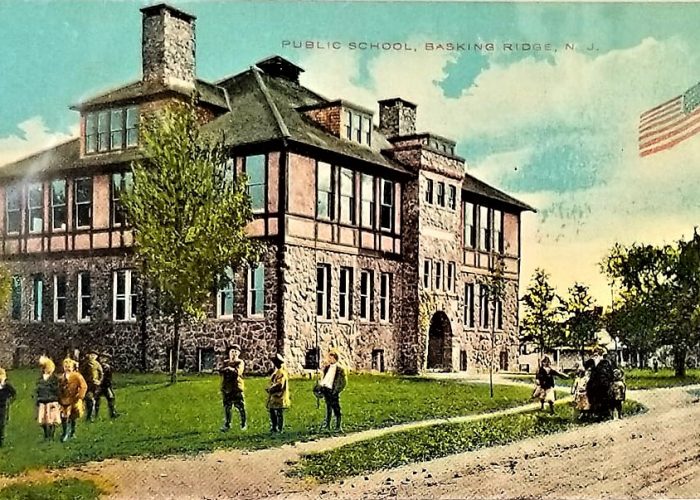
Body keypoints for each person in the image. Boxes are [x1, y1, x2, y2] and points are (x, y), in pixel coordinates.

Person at [58, 358, 87, 442]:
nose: (67, 368)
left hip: (74, 399)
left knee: (73, 416)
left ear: (73, 367)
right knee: (64, 415)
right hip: (64, 399)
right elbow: (58, 388)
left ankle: (72, 432)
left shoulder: (77, 376)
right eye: (65, 366)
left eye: (69, 366)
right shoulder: (61, 377)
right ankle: (65, 433)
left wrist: (80, 396)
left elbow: (83, 386)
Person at [319, 349, 348, 432]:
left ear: (335, 359)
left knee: (336, 408)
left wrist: (336, 390)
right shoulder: (327, 368)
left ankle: (338, 426)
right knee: (328, 408)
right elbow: (325, 378)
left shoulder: (340, 370)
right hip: (327, 390)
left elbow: (343, 382)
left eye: (331, 358)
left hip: (334, 391)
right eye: (329, 358)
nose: (330, 360)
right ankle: (327, 426)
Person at [219, 345, 246, 432]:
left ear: (238, 353)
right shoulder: (226, 362)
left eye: (235, 351)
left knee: (240, 406)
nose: (233, 353)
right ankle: (227, 424)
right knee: (227, 407)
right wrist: (225, 369)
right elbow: (220, 370)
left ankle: (243, 424)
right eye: (232, 351)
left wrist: (230, 369)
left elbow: (238, 372)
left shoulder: (240, 362)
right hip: (227, 388)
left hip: (236, 388)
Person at [36, 356, 61, 440]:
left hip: (51, 401)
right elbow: (37, 390)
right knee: (43, 419)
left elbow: (57, 390)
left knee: (51, 419)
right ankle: (46, 435)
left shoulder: (54, 379)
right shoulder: (40, 379)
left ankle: (51, 435)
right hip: (42, 401)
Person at [586, 346, 615, 420]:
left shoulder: (605, 363)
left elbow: (610, 374)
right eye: (594, 354)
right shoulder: (592, 362)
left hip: (603, 384)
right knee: (593, 396)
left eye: (596, 354)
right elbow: (586, 367)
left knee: (604, 398)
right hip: (594, 384)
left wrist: (609, 381)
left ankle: (605, 413)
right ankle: (596, 413)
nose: (595, 356)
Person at [266, 354, 290, 433]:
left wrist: (271, 389)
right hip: (274, 396)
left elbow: (280, 385)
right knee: (272, 411)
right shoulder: (276, 372)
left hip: (279, 396)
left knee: (279, 413)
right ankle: (274, 427)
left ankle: (279, 428)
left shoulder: (281, 373)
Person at [82, 350, 103, 422]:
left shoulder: (97, 364)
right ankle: (89, 416)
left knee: (97, 399)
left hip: (95, 384)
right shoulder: (85, 364)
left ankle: (96, 415)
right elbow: (81, 374)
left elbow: (101, 373)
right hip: (88, 384)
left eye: (94, 356)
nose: (92, 357)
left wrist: (99, 381)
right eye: (91, 355)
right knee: (89, 399)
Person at [97, 353, 119, 419]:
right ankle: (95, 414)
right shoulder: (98, 366)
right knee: (96, 399)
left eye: (104, 358)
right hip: (99, 385)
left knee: (111, 398)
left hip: (106, 385)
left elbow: (109, 377)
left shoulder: (107, 367)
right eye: (101, 358)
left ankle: (113, 413)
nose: (102, 359)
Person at [0, 367, 17, 448]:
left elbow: (14, 393)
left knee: (2, 424)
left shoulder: (7, 385)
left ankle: (1, 441)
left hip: (3, 406)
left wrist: (10, 401)